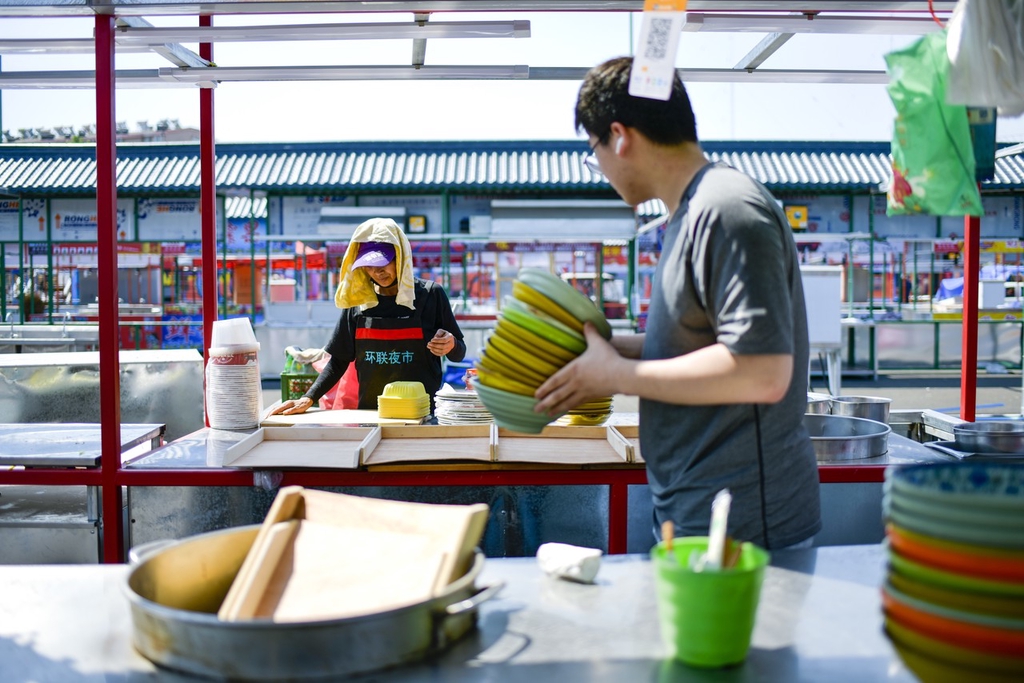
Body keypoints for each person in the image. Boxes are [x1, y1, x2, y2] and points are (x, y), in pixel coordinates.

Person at [534, 56, 821, 550]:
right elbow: (697, 346)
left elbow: (762, 371)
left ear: (619, 136)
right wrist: (607, 348)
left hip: (746, 528)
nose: (598, 167)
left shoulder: (727, 210)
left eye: (593, 151)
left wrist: (615, 377)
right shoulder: (688, 214)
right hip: (700, 514)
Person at [271, 217, 466, 416]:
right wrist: (309, 397)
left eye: (383, 263)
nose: (377, 272)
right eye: (370, 266)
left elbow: (459, 352)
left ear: (400, 257)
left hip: (424, 414)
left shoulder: (431, 295)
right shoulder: (358, 303)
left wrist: (451, 345)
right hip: (372, 414)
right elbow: (339, 361)